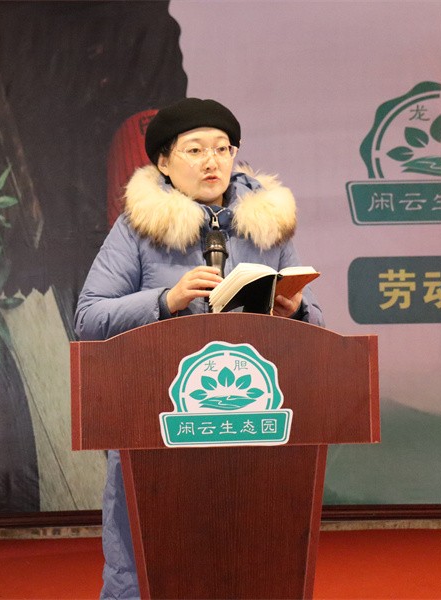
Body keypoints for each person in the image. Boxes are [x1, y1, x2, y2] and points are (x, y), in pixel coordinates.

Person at [74, 97, 324, 599]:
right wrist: (166, 300)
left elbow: (318, 325)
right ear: (164, 163)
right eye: (195, 150)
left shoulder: (269, 227)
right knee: (146, 563)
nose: (212, 161)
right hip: (157, 423)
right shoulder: (137, 228)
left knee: (249, 556)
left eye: (222, 148)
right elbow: (89, 318)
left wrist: (295, 313)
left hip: (253, 424)